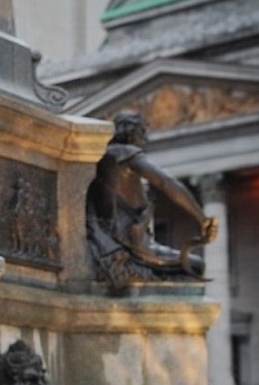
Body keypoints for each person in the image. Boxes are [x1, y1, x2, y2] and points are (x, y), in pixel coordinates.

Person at [86, 111, 218, 288]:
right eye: (142, 133)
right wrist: (202, 219)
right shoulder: (126, 153)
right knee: (196, 265)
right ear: (132, 133)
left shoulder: (101, 159)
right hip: (132, 243)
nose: (145, 140)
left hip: (111, 240)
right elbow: (166, 182)